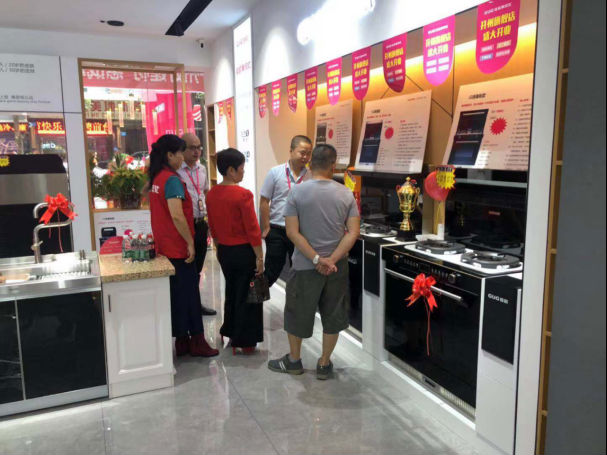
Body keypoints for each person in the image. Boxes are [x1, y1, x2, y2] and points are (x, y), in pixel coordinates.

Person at [268, 144, 360, 380]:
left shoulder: (296, 193)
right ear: (333, 165)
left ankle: (294, 361)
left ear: (311, 163)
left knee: (297, 312)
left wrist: (317, 259)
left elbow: (292, 232)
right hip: (336, 267)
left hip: (304, 266)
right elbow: (353, 232)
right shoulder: (346, 194)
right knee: (333, 313)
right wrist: (331, 259)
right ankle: (324, 363)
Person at [147, 134, 219, 358]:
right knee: (190, 295)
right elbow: (177, 215)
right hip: (178, 247)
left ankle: (182, 341)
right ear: (170, 155)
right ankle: (197, 341)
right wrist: (190, 242)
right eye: (180, 153)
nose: (182, 157)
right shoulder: (172, 180)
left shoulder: (157, 177)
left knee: (178, 296)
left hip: (165, 246)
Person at [206, 148, 264, 354]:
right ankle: (244, 340)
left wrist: (218, 246)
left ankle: (228, 329)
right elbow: (252, 229)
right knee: (248, 295)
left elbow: (212, 226)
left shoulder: (211, 194)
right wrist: (259, 256)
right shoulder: (243, 195)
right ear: (231, 170)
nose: (243, 172)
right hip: (243, 251)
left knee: (232, 291)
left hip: (225, 251)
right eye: (241, 168)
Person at [259, 135, 312, 287]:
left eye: (309, 153)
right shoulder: (275, 173)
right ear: (291, 151)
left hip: (300, 232)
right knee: (272, 271)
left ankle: (295, 301)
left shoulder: (310, 176)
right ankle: (255, 299)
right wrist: (266, 227)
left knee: (299, 272)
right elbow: (264, 201)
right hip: (277, 230)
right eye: (302, 152)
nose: (305, 157)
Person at [177, 132, 217, 316]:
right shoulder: (176, 172)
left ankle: (195, 305)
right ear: (182, 149)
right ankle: (185, 307)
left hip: (201, 223)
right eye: (192, 148)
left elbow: (205, 192)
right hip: (185, 225)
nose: (197, 151)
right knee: (186, 268)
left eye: (199, 147)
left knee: (198, 268)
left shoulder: (202, 169)